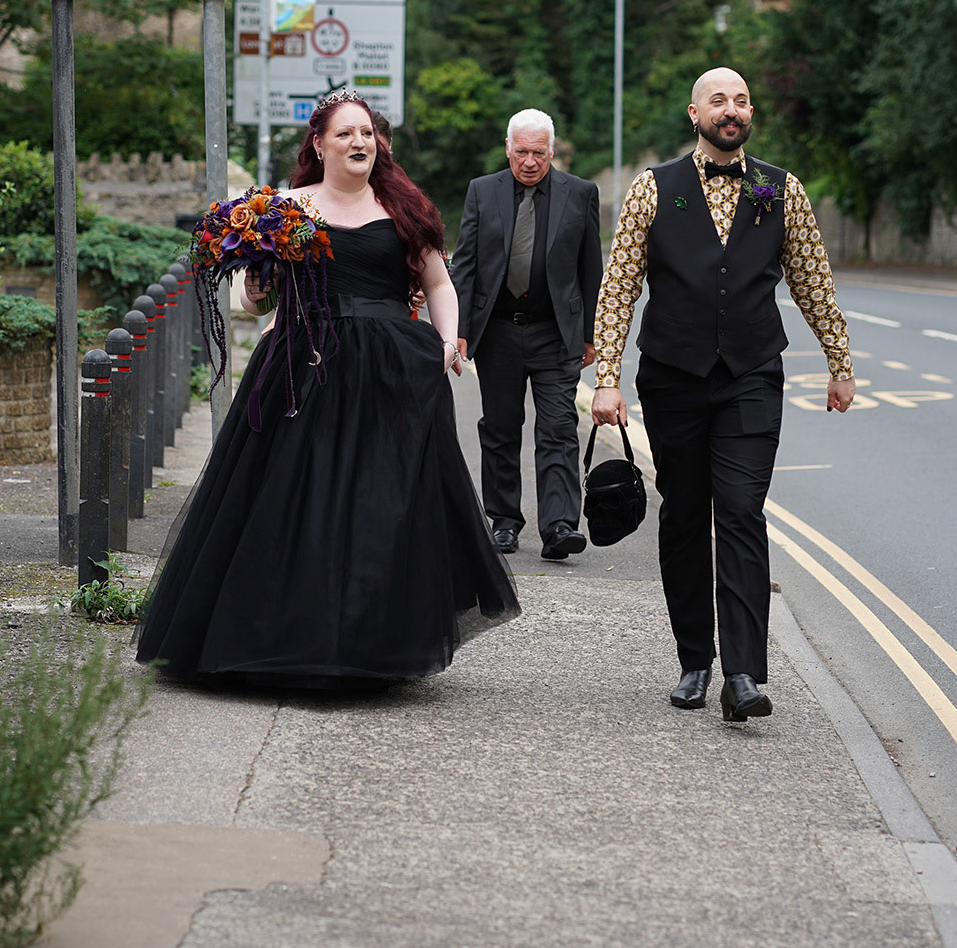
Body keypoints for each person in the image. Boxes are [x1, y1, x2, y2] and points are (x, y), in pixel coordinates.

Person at [135, 87, 520, 686]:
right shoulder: (285, 208)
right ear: (319, 144)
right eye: (345, 133)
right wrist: (254, 288)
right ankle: (288, 636)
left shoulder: (404, 208)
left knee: (380, 507)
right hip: (303, 367)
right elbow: (250, 300)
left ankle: (366, 641)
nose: (358, 142)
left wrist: (449, 340)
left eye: (365, 132)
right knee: (294, 503)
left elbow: (439, 284)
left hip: (391, 373)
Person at [590, 67, 855, 722]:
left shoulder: (781, 188)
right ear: (695, 114)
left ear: (751, 112)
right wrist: (607, 378)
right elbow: (619, 285)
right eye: (718, 101)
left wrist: (839, 362)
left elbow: (813, 279)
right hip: (672, 377)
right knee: (684, 515)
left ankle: (742, 673)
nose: (730, 110)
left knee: (740, 511)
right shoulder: (652, 187)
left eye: (740, 101)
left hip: (751, 375)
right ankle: (694, 660)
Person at [450, 110, 603, 560]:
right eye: (521, 152)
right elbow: (465, 265)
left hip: (556, 332)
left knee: (558, 426)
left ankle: (559, 525)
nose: (530, 162)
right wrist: (458, 329)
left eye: (539, 153)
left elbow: (590, 270)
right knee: (500, 427)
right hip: (498, 330)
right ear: (508, 148)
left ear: (551, 151)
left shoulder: (580, 193)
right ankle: (504, 521)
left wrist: (591, 334)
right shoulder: (482, 191)